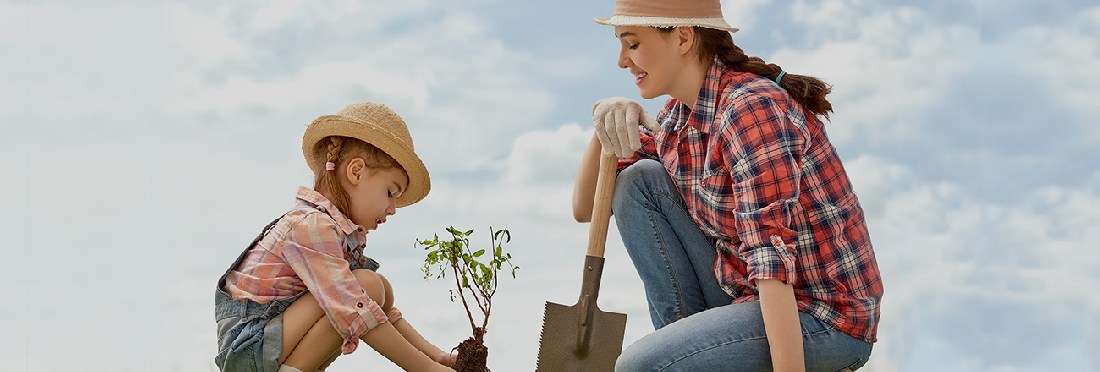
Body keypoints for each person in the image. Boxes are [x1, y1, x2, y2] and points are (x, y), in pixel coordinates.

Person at [573, 1, 884, 370]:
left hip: (822, 317)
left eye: (633, 43)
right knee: (638, 182)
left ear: (684, 38)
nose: (622, 61)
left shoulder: (750, 109)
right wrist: (603, 127)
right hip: (746, 296)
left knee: (641, 367)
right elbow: (586, 209)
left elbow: (772, 262)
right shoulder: (678, 118)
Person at [214, 102, 457, 372]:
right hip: (248, 351)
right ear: (356, 172)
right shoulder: (310, 226)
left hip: (267, 344)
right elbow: (355, 308)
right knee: (367, 288)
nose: (392, 209)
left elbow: (380, 312)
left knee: (379, 289)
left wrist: (439, 359)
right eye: (391, 192)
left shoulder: (334, 232)